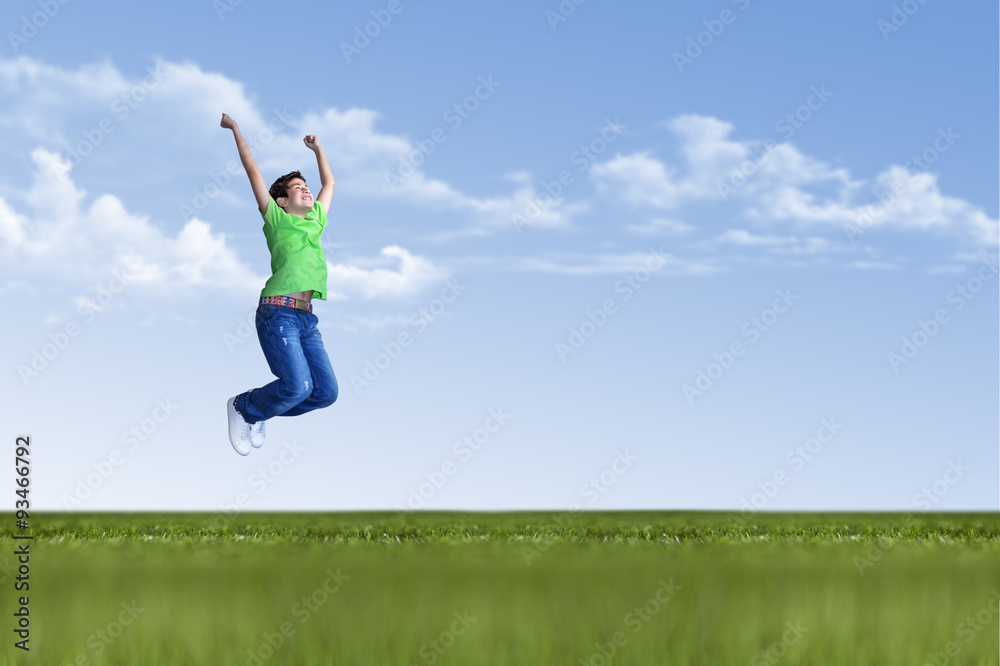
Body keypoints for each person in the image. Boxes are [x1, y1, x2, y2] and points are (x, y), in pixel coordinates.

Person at [220, 112, 338, 456]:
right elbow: (252, 170)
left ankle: (259, 411)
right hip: (278, 313)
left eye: (307, 187)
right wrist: (236, 130)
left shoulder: (315, 221)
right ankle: (243, 406)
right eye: (297, 188)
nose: (306, 191)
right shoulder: (276, 219)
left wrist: (318, 152)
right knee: (297, 386)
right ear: (282, 201)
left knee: (324, 393)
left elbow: (329, 185)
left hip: (306, 319)